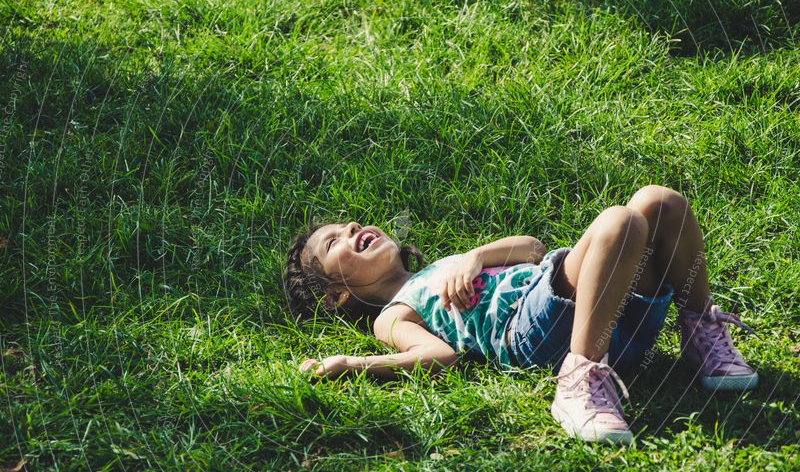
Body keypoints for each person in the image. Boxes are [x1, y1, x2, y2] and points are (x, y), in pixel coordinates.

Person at [283, 185, 758, 445]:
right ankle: (580, 379)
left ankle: (701, 337)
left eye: (346, 225)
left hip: (612, 319)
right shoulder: (393, 313)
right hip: (534, 333)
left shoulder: (444, 266)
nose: (350, 228)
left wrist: (475, 255)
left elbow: (533, 248)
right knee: (623, 220)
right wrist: (352, 365)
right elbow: (439, 355)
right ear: (337, 297)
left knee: (661, 202)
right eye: (334, 243)